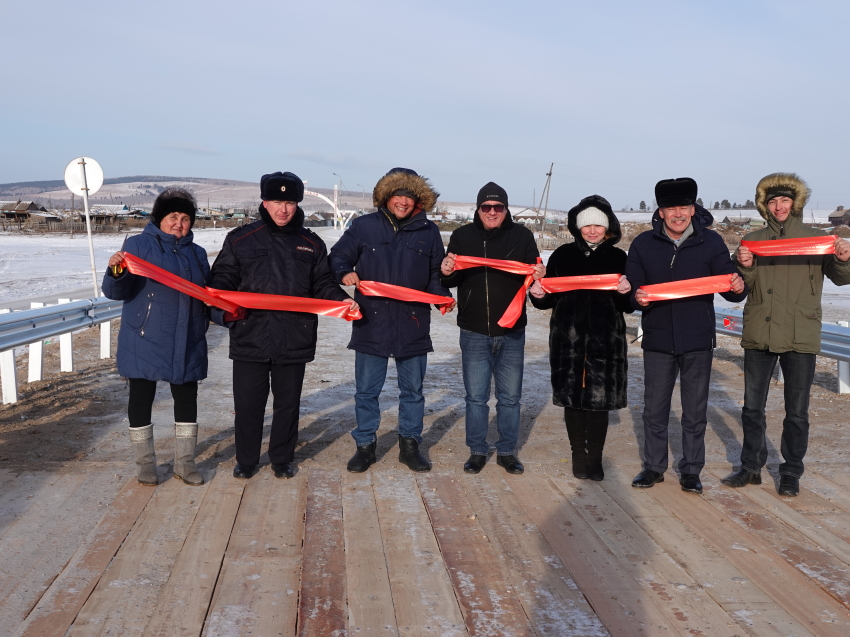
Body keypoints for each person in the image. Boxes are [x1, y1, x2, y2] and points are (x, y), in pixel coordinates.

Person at [209, 171, 357, 480]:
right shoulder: (240, 239)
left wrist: (341, 301)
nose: (283, 209)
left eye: (289, 202)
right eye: (277, 201)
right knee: (248, 406)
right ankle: (246, 460)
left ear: (298, 203)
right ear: (264, 201)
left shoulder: (311, 243)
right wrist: (225, 313)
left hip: (294, 337)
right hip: (250, 334)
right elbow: (221, 282)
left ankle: (282, 458)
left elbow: (322, 285)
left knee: (287, 406)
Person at [721, 173, 850, 496]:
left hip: (800, 333)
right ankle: (750, 466)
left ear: (795, 204)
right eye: (773, 201)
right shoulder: (753, 239)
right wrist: (744, 265)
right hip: (760, 330)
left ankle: (791, 471)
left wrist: (844, 258)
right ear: (765, 205)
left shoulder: (816, 238)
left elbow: (839, 278)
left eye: (785, 200)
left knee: (797, 411)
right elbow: (740, 287)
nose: (779, 206)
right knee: (752, 407)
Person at [626, 178, 747, 493]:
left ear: (693, 209)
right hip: (658, 339)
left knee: (695, 411)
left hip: (697, 339)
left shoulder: (711, 242)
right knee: (654, 409)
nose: (678, 214)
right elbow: (631, 288)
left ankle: (691, 470)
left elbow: (730, 285)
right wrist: (635, 298)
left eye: (683, 207)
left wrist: (738, 285)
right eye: (671, 208)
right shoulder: (643, 244)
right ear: (661, 212)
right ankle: (653, 467)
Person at [329, 167, 452, 473]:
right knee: (367, 391)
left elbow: (436, 274)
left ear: (418, 201)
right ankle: (365, 446)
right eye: (398, 195)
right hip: (372, 321)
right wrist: (345, 272)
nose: (403, 202)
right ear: (386, 197)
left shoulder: (429, 231)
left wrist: (443, 296)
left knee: (413, 392)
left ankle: (409, 446)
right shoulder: (364, 227)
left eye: (410, 197)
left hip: (413, 324)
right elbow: (337, 256)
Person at [103, 188, 210, 486]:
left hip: (187, 337)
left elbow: (207, 297)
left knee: (187, 398)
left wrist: (232, 314)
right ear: (159, 218)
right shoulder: (136, 246)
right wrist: (116, 270)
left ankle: (185, 463)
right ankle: (146, 465)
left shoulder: (197, 254)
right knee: (141, 398)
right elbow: (115, 292)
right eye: (173, 216)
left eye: (186, 218)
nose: (179, 223)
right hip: (144, 337)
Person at [440, 182, 544, 475]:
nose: (492, 212)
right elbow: (449, 281)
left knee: (510, 398)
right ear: (478, 209)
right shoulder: (461, 236)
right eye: (486, 207)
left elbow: (536, 280)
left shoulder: (522, 236)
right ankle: (477, 450)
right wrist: (445, 270)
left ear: (506, 209)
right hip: (473, 330)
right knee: (476, 397)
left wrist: (539, 275)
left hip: (512, 330)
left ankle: (508, 451)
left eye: (498, 207)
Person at [529, 195, 633, 481]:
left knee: (599, 401)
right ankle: (578, 453)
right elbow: (549, 297)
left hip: (606, 339)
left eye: (598, 225)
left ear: (608, 227)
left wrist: (627, 292)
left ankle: (595, 457)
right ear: (577, 226)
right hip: (568, 338)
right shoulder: (563, 255)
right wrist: (538, 294)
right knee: (573, 399)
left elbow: (628, 305)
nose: (592, 230)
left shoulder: (618, 257)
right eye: (586, 225)